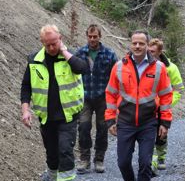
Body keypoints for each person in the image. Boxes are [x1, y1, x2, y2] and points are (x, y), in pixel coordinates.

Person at [20, 24, 88, 181]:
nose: (51, 47)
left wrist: (64, 52)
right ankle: (51, 177)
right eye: (47, 44)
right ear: (42, 42)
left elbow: (82, 68)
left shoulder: (71, 56)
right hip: (46, 116)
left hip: (68, 116)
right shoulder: (34, 60)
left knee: (65, 150)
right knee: (51, 153)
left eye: (54, 43)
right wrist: (25, 110)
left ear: (60, 39)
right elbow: (26, 87)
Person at [105, 30, 173, 181]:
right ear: (130, 44)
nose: (137, 46)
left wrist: (165, 122)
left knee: (145, 163)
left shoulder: (159, 68)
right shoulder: (119, 67)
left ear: (148, 45)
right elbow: (110, 94)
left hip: (148, 123)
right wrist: (110, 120)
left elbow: (166, 96)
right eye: (134, 43)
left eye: (141, 43)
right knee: (122, 163)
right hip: (125, 121)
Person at [75, 24, 118, 174]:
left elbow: (117, 75)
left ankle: (99, 159)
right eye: (90, 36)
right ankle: (84, 159)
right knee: (84, 127)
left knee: (102, 128)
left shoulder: (109, 54)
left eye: (95, 36)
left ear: (100, 37)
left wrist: (116, 98)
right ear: (86, 36)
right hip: (84, 97)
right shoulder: (79, 53)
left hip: (103, 98)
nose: (92, 39)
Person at [148, 38, 184, 172]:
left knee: (161, 135)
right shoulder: (143, 65)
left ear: (159, 52)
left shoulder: (171, 68)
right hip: (147, 107)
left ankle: (161, 157)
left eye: (152, 51)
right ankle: (151, 160)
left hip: (162, 108)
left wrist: (167, 104)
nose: (149, 53)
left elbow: (179, 89)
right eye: (149, 50)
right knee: (148, 134)